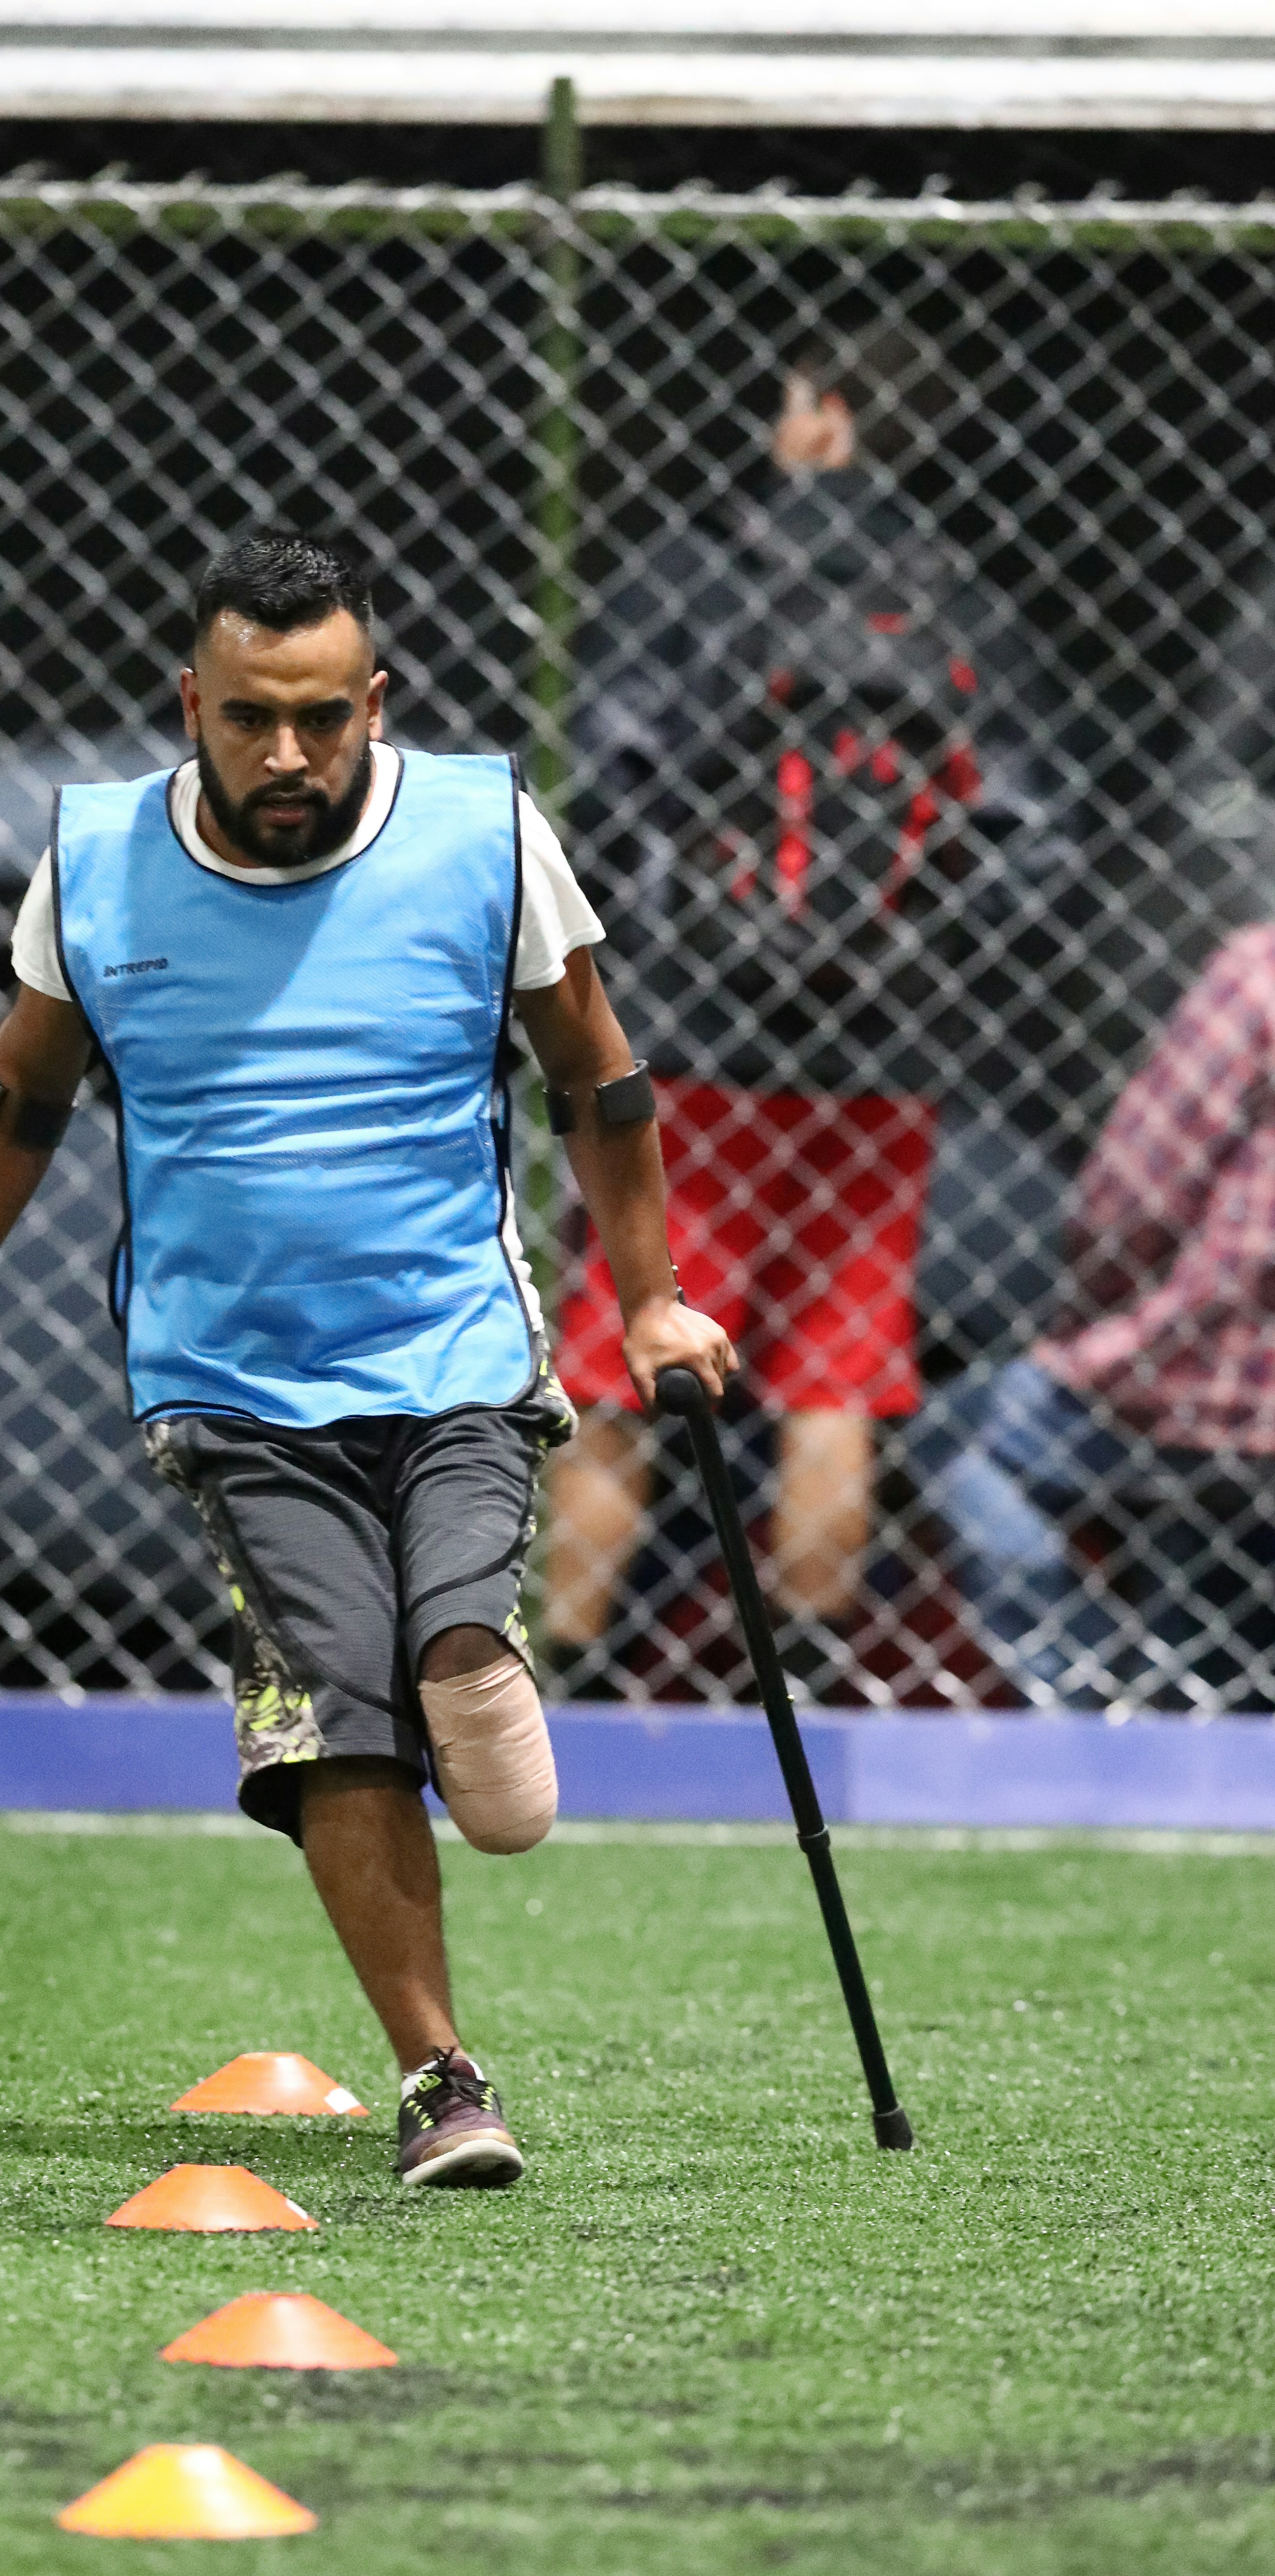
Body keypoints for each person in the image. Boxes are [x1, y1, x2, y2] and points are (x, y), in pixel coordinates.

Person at [0, 529, 734, 2187]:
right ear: (190, 703)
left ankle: (466, 1656)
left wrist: (653, 1301)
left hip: (454, 1346)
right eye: (252, 718)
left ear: (375, 703)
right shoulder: (100, 858)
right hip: (233, 1385)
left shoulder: (485, 832)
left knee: (450, 1620)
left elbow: (598, 1077)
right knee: (332, 1723)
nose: (287, 756)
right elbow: (18, 1094)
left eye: (324, 719)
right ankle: (442, 2079)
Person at [548, 331, 1074, 1695]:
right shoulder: (963, 606)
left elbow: (612, 783)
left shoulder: (700, 579)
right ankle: (799, 1678)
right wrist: (914, 955)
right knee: (836, 1372)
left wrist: (674, 951)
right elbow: (1034, 840)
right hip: (883, 1061)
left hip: (695, 1053)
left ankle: (570, 1671)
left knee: (623, 1355)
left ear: (827, 420)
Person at [941, 920, 1275, 1708]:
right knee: (1217, 1583)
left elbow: (1139, 1186)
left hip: (1213, 1373)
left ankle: (1086, 1686)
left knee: (955, 1435)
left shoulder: (1261, 968)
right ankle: (1196, 1705)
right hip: (1219, 1393)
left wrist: (1100, 1313)